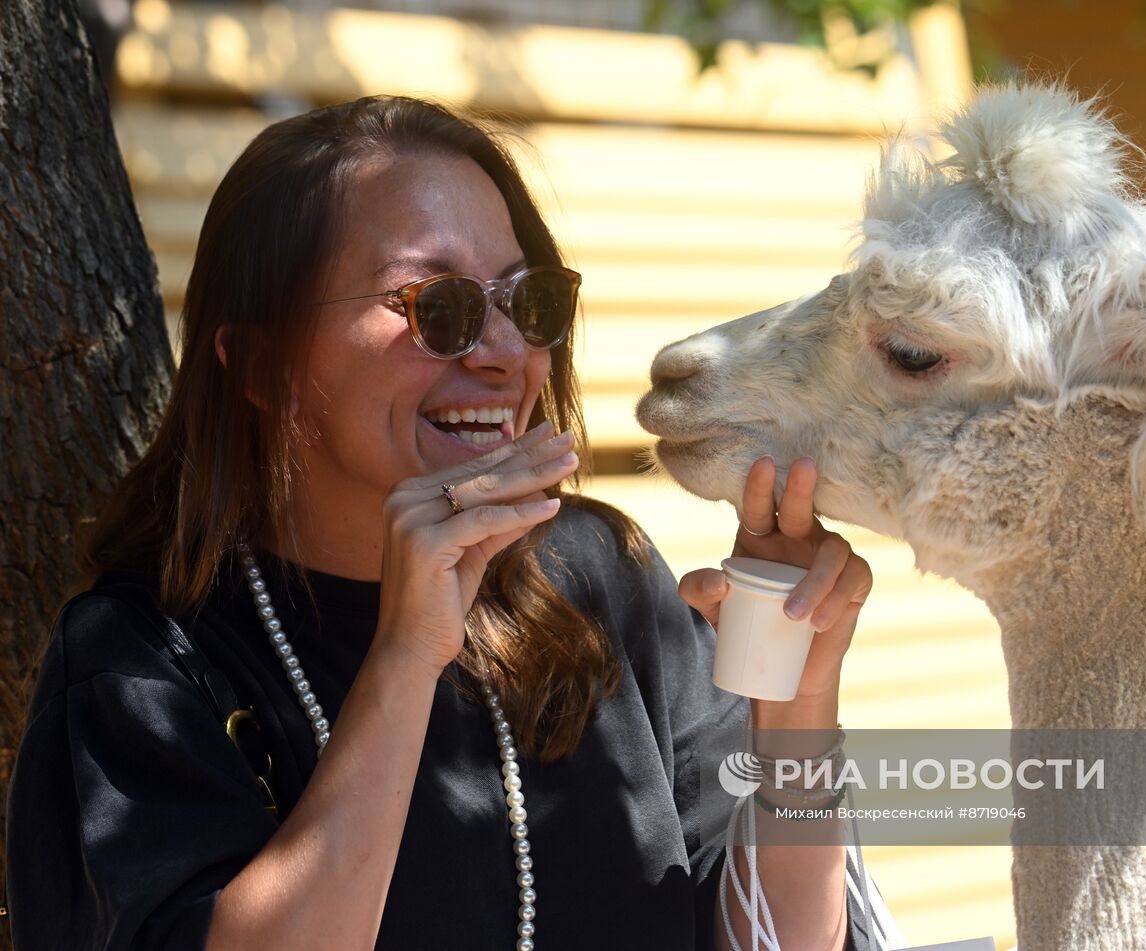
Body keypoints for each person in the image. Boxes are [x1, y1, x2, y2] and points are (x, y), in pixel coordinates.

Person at [5, 95, 879, 951]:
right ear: (261, 364)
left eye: (527, 301)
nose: (504, 353)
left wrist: (794, 695)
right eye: (438, 307)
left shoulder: (599, 575)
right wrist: (405, 657)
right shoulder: (143, 665)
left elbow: (780, 940)